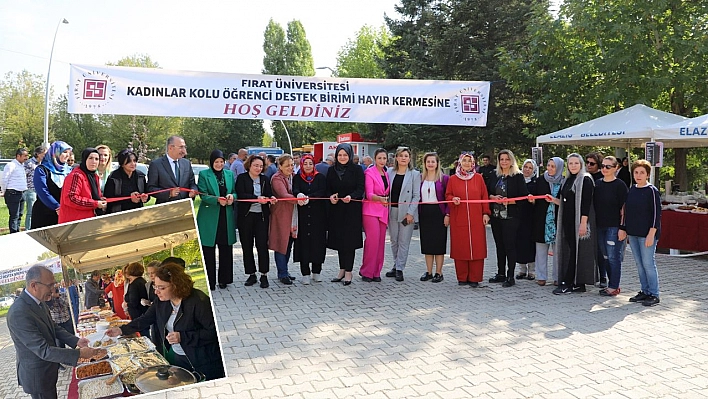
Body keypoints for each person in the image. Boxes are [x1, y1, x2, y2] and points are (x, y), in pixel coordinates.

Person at [106, 262, 226, 381]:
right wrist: (121, 329)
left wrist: (183, 337)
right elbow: (146, 319)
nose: (156, 292)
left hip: (204, 360)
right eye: (155, 286)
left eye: (161, 288)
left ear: (176, 285)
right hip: (179, 356)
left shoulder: (199, 301)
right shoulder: (161, 301)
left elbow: (214, 332)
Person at [7, 265, 99, 399]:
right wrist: (78, 353)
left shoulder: (39, 301)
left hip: (47, 370)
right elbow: (43, 350)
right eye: (50, 286)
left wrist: (76, 340)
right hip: (37, 375)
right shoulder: (18, 312)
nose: (53, 290)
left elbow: (53, 327)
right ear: (34, 285)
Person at [547, 153, 597, 295]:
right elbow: (565, 201)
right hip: (567, 221)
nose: (573, 166)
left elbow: (586, 204)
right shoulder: (567, 180)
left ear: (581, 164)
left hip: (579, 222)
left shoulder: (585, 179)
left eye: (576, 163)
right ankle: (576, 283)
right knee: (570, 251)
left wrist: (583, 223)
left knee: (577, 251)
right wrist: (552, 200)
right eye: (570, 163)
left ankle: (569, 283)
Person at [445, 153, 491, 286]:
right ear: (460, 162)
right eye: (464, 161)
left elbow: (484, 196)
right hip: (459, 217)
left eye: (469, 161)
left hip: (476, 218)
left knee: (477, 247)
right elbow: (447, 195)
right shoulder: (453, 179)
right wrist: (453, 199)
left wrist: (486, 213)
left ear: (473, 163)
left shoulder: (478, 178)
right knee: (461, 246)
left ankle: (475, 278)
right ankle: (462, 277)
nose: (466, 163)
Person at [620, 159, 662, 306]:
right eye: (636, 172)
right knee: (639, 263)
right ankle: (644, 291)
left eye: (642, 172)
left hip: (647, 234)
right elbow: (626, 211)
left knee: (648, 263)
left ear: (648, 174)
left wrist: (652, 233)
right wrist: (623, 228)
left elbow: (656, 214)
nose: (638, 175)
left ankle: (654, 294)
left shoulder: (652, 191)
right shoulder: (632, 189)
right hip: (633, 232)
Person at [487, 150, 528, 287]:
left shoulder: (517, 176)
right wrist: (493, 198)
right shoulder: (494, 175)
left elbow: (524, 197)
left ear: (511, 160)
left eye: (506, 159)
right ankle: (500, 273)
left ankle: (510, 275)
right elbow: (487, 192)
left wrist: (509, 201)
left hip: (511, 216)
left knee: (509, 246)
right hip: (496, 216)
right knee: (499, 246)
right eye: (501, 159)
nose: (504, 162)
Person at [197, 150, 236, 290]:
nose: (219, 164)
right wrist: (217, 200)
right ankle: (210, 282)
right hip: (210, 217)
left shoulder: (229, 174)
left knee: (226, 248)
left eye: (221, 161)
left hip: (226, 217)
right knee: (209, 250)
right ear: (211, 162)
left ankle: (224, 280)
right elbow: (202, 194)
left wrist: (232, 196)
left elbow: (235, 191)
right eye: (216, 162)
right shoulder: (203, 174)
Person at [327, 143, 365, 286]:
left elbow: (361, 188)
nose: (342, 157)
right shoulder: (331, 170)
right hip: (337, 210)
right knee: (339, 242)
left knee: (349, 242)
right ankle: (342, 270)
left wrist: (351, 196)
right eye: (340, 155)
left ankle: (349, 271)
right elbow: (327, 189)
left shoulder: (357, 170)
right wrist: (331, 197)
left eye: (345, 155)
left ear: (350, 156)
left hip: (352, 210)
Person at [236, 155, 275, 288]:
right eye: (255, 165)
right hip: (246, 217)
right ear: (249, 165)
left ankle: (264, 274)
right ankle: (251, 274)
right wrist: (256, 198)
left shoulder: (265, 179)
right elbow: (241, 195)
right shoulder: (242, 178)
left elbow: (269, 193)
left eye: (260, 166)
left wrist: (271, 198)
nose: (258, 168)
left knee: (262, 246)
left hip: (262, 217)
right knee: (247, 246)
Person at [384, 146, 421, 282]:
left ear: (409, 158)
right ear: (396, 158)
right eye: (401, 156)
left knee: (403, 241)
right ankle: (395, 264)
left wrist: (411, 213)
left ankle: (400, 268)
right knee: (394, 240)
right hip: (391, 210)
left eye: (406, 156)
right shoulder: (389, 172)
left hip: (407, 212)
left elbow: (416, 196)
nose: (403, 158)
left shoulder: (415, 174)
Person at [594, 156, 628, 296]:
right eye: (603, 166)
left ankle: (614, 286)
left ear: (615, 168)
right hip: (600, 226)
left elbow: (625, 208)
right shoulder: (597, 184)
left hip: (614, 227)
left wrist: (623, 228)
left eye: (608, 166)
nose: (604, 169)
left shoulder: (620, 185)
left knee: (614, 257)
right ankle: (610, 283)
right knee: (605, 256)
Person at [293, 154, 328, 284]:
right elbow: (295, 189)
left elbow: (322, 191)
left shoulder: (320, 177)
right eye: (305, 163)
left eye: (310, 163)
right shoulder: (297, 177)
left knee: (317, 243)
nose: (308, 166)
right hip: (302, 216)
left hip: (317, 216)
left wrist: (309, 197)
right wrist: (299, 194)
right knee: (304, 244)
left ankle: (317, 271)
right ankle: (305, 273)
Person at [530, 157, 564, 286]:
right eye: (548, 165)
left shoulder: (564, 182)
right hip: (541, 221)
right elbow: (533, 198)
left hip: (557, 221)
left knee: (557, 251)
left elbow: (567, 202)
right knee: (541, 250)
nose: (550, 168)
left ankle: (557, 277)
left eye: (553, 166)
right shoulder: (540, 180)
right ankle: (541, 276)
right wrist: (531, 199)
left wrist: (554, 200)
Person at [418, 152, 450, 283]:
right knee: (427, 244)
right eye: (428, 161)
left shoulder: (444, 179)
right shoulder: (420, 178)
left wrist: (448, 214)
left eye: (433, 161)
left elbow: (448, 198)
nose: (430, 164)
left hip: (439, 213)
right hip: (425, 213)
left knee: (438, 244)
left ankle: (439, 272)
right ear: (425, 164)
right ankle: (429, 271)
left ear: (437, 163)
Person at [360, 149, 391, 282]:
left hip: (383, 210)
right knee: (372, 241)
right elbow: (369, 194)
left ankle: (376, 272)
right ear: (374, 158)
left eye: (384, 158)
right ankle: (367, 271)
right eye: (380, 158)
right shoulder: (369, 172)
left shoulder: (386, 173)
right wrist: (380, 199)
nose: (382, 161)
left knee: (380, 243)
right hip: (371, 211)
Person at [270, 154, 298, 285]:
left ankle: (284, 270)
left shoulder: (293, 176)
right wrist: (299, 199)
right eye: (287, 165)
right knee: (281, 244)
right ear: (280, 166)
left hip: (292, 215)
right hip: (281, 215)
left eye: (292, 165)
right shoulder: (276, 178)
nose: (290, 168)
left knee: (289, 244)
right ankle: (282, 273)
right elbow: (283, 194)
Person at [58, 148, 108, 223]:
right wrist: (95, 204)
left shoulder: (95, 176)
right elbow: (71, 198)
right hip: (74, 222)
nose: (94, 161)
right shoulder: (76, 176)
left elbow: (93, 196)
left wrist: (101, 199)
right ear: (84, 159)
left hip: (88, 221)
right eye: (90, 158)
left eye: (97, 159)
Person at [147, 135, 198, 204]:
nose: (184, 151)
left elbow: (192, 183)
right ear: (171, 147)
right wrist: (169, 193)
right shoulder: (156, 165)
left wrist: (193, 190)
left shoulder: (186, 163)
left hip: (185, 206)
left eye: (184, 147)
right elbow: (151, 188)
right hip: (165, 209)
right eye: (181, 147)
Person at [103, 148, 149, 214]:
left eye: (134, 161)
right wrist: (129, 197)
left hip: (137, 213)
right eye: (129, 161)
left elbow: (147, 193)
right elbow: (108, 199)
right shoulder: (113, 177)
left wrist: (145, 197)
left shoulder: (140, 176)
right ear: (122, 163)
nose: (133, 164)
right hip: (117, 214)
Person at [516, 159, 538, 280]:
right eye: (525, 167)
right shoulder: (518, 181)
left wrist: (533, 201)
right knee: (519, 243)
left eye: (530, 168)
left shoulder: (536, 182)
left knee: (530, 244)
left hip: (531, 218)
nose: (527, 169)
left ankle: (532, 271)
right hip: (519, 217)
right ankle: (522, 269)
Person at [2, 148, 29, 233]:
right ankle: (13, 234)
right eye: (25, 156)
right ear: (18, 156)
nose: (26, 158)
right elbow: (4, 179)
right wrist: (4, 191)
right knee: (14, 215)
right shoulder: (11, 165)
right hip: (13, 193)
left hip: (21, 193)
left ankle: (17, 232)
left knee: (20, 215)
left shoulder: (21, 166)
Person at [23, 145, 47, 231]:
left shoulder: (43, 164)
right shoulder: (29, 163)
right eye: (44, 154)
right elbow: (23, 175)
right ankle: (28, 230)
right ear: (37, 154)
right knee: (30, 211)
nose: (45, 156)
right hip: (31, 190)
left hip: (40, 191)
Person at [123, 262, 150, 336]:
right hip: (142, 312)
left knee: (144, 334)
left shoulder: (134, 284)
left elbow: (134, 302)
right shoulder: (141, 281)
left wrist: (126, 304)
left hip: (138, 314)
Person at [144, 260, 161, 348]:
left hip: (163, 315)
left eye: (153, 273)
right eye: (148, 273)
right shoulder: (148, 285)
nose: (151, 275)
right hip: (153, 315)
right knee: (155, 339)